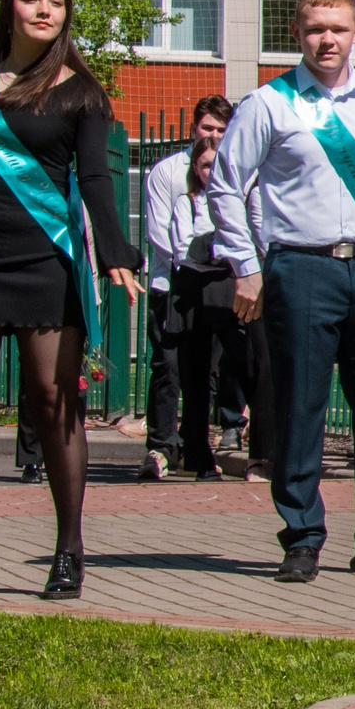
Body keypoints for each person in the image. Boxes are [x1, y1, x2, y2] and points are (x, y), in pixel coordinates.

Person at [211, 0, 355, 584]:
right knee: (301, 403)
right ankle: (302, 536)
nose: (326, 39)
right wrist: (245, 264)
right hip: (300, 267)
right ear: (296, 34)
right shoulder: (269, 104)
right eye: (314, 29)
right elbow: (227, 185)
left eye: (337, 28)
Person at [0, 0, 143, 598]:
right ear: (9, 6)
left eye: (55, 1)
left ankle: (69, 548)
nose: (43, 9)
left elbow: (96, 179)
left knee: (53, 404)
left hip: (46, 262)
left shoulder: (81, 93)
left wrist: (116, 253)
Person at [137, 96, 233, 481]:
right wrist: (200, 257)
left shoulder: (234, 172)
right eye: (207, 127)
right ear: (194, 127)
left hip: (216, 288)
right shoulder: (168, 171)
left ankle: (195, 445)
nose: (213, 135)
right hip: (171, 284)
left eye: (221, 130)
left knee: (205, 371)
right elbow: (161, 234)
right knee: (167, 367)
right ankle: (160, 447)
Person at [166, 124, 251, 481]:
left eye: (217, 165)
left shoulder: (240, 202)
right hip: (193, 297)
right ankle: (199, 456)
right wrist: (220, 249)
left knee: (245, 368)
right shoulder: (187, 202)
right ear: (195, 170)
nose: (210, 172)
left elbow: (246, 244)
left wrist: (218, 250)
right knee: (196, 376)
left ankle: (255, 444)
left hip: (231, 297)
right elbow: (184, 248)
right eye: (204, 166)